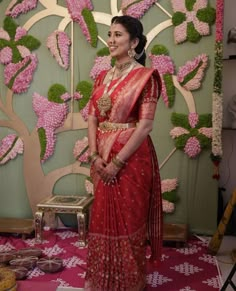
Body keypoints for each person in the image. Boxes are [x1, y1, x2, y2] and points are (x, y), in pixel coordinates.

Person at [85, 15, 163, 291]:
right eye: (110, 34)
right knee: (102, 219)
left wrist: (117, 163)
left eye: (118, 35)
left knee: (129, 219)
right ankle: (103, 281)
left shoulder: (146, 77)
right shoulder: (101, 78)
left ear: (135, 42)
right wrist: (95, 156)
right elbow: (92, 118)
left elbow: (145, 126)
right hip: (102, 158)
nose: (111, 40)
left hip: (130, 160)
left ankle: (129, 283)